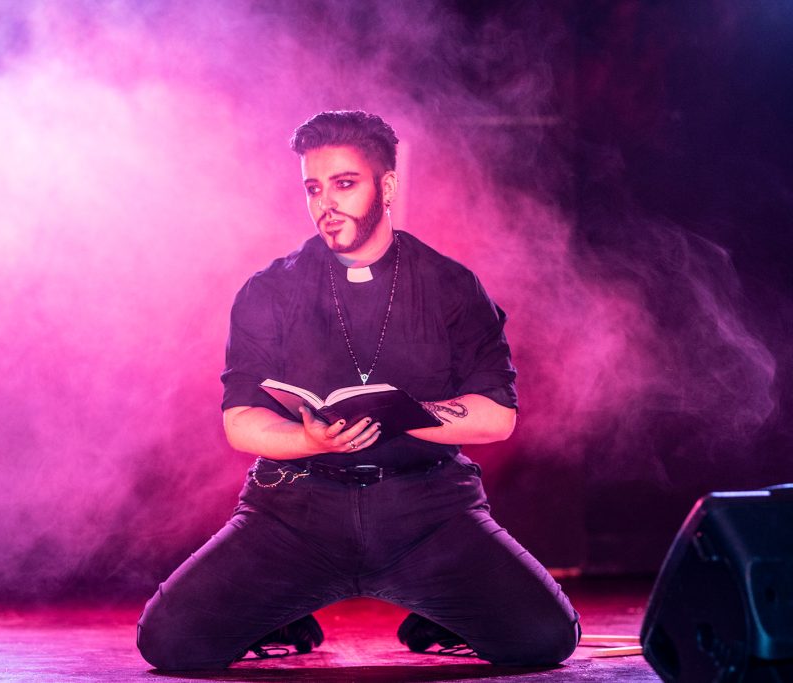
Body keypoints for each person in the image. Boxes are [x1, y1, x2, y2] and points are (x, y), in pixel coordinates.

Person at [136, 110, 580, 670]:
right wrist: (313, 439)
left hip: (428, 510)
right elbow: (240, 418)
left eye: (345, 184)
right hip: (295, 509)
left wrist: (402, 416)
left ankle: (440, 614)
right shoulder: (270, 289)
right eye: (314, 188)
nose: (327, 203)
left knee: (544, 640)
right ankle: (282, 614)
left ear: (386, 185)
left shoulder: (451, 285)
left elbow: (497, 415)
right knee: (170, 644)